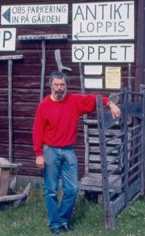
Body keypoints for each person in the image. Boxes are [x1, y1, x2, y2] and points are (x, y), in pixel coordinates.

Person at [32, 71, 121, 235]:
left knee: (72, 189)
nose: (59, 88)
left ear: (66, 85)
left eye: (62, 85)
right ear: (51, 86)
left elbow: (94, 99)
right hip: (50, 151)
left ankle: (64, 220)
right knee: (51, 190)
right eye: (56, 85)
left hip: (68, 151)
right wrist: (38, 154)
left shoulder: (73, 100)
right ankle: (54, 224)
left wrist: (110, 103)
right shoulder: (44, 105)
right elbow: (37, 130)